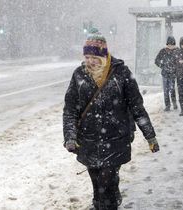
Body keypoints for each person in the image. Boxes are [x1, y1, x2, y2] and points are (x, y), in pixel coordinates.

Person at [63, 28, 159, 210]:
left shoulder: (121, 73)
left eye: (94, 57)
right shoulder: (79, 75)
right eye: (87, 57)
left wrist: (150, 136)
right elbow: (70, 110)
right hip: (88, 140)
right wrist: (70, 136)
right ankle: (104, 201)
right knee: (97, 181)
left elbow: (136, 106)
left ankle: (108, 204)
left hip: (115, 139)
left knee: (106, 180)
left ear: (103, 55)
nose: (89, 61)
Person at [155, 36, 179, 111]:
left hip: (173, 74)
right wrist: (162, 66)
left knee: (172, 89)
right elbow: (156, 60)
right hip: (165, 74)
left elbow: (179, 61)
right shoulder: (163, 51)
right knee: (166, 91)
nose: (170, 46)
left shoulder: (177, 51)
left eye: (172, 44)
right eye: (169, 44)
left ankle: (174, 103)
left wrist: (176, 68)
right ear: (167, 44)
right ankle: (167, 105)